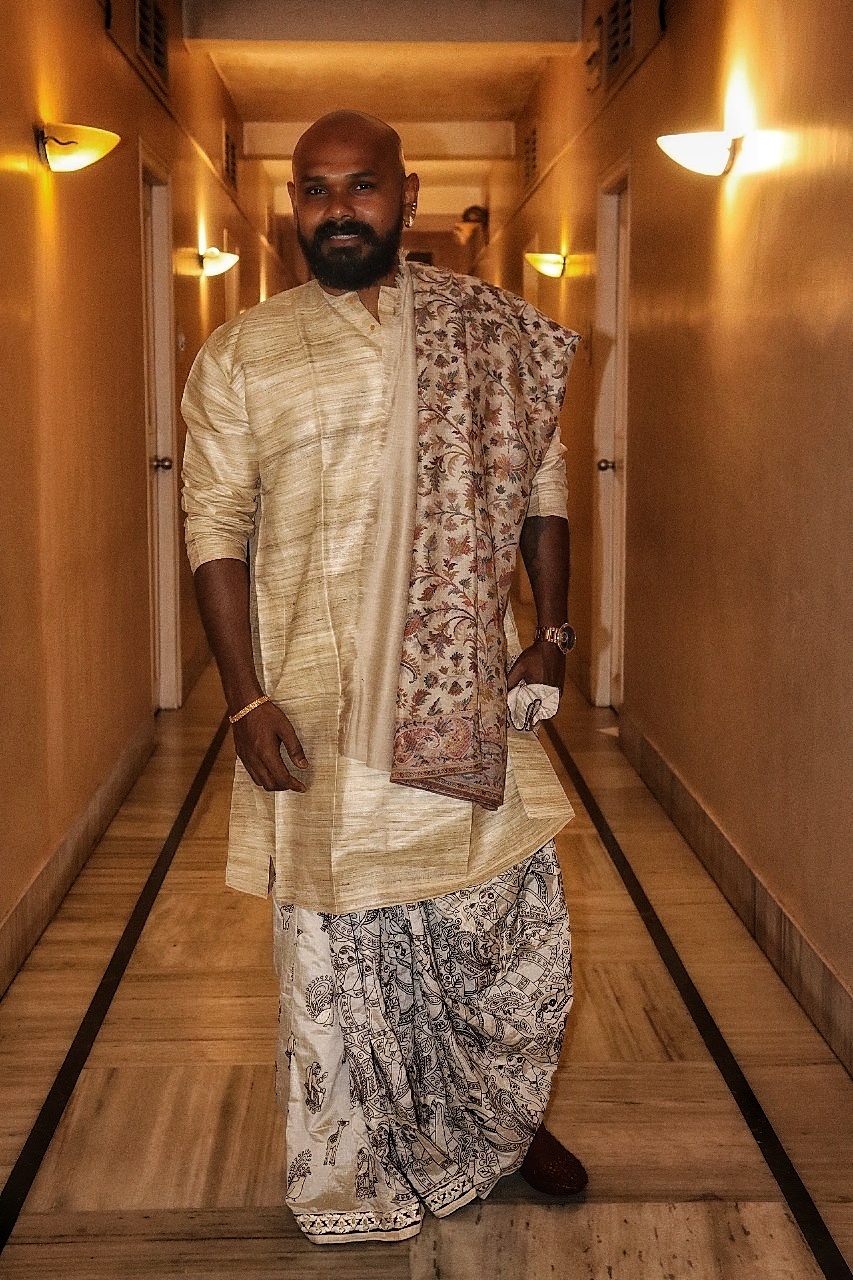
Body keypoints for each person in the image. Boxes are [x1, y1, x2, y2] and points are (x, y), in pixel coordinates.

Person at [181, 110, 586, 1246]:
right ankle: (356, 1169)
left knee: (501, 934)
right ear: (292, 207)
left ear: (405, 195)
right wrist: (244, 695)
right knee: (340, 948)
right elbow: (213, 526)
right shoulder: (243, 353)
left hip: (463, 698)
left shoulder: (487, 332)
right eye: (314, 190)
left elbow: (543, 482)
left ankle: (498, 1121)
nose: (337, 209)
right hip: (317, 707)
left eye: (360, 186)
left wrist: (552, 631)